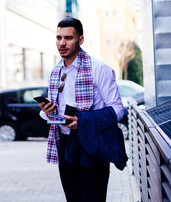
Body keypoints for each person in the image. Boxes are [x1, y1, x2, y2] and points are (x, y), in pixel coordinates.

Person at [39, 17, 125, 202]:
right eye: (58, 37)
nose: (62, 43)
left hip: (92, 145)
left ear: (81, 40)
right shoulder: (55, 72)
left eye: (68, 38)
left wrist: (85, 121)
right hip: (64, 144)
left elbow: (118, 109)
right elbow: (56, 111)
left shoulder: (100, 69)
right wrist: (47, 111)